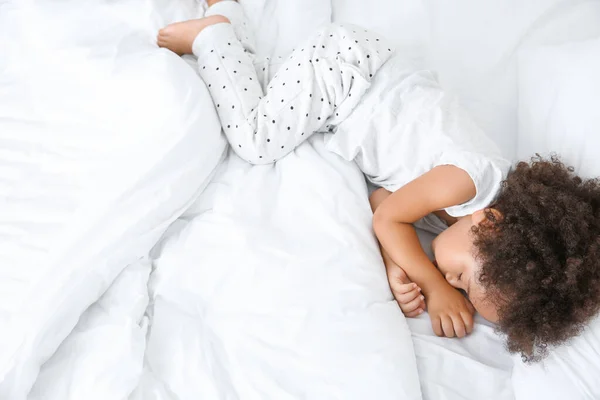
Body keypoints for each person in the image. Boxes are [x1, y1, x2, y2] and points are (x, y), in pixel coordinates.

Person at [157, 0, 600, 361]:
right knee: (257, 141)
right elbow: (389, 218)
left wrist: (397, 268)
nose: (452, 279)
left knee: (270, 88)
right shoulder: (470, 180)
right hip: (350, 72)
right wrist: (433, 285)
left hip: (346, 86)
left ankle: (231, 20)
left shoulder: (460, 221)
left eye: (457, 284)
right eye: (464, 277)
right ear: (493, 224)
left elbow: (385, 199)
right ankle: (212, 35)